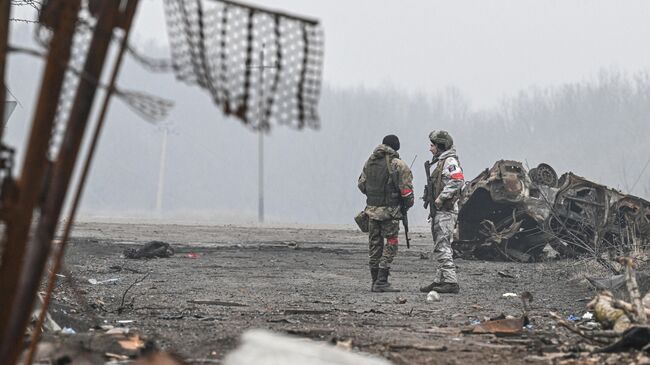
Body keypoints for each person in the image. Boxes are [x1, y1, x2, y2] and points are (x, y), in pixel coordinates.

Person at [358, 135, 414, 292]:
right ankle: (382, 281)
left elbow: (362, 185)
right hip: (390, 212)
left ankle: (374, 281)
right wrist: (406, 205)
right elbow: (407, 192)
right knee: (391, 243)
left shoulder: (370, 161)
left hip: (371, 211)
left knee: (374, 245)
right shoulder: (398, 165)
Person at [420, 130, 464, 294]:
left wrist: (441, 197)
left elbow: (458, 180)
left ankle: (451, 281)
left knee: (443, 245)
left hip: (446, 211)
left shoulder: (449, 161)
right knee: (441, 246)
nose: (430, 149)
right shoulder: (441, 161)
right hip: (442, 211)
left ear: (440, 145)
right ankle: (440, 280)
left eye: (432, 145)